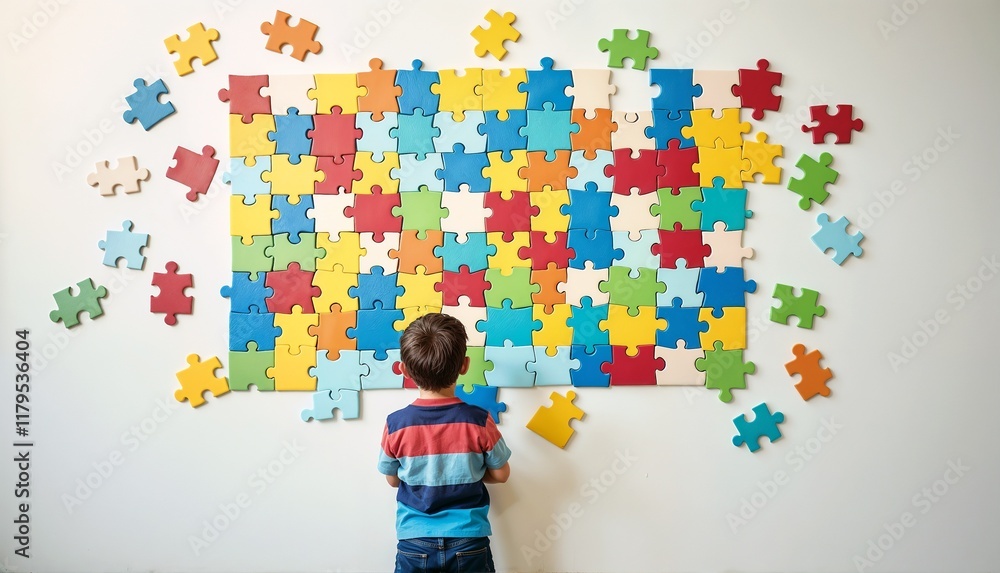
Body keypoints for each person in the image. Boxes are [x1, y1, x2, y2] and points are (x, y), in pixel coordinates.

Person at [378, 313, 512, 573]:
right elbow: (502, 474)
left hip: (414, 541)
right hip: (469, 539)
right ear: (464, 366)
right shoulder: (480, 421)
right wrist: (468, 472)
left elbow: (393, 479)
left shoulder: (396, 424)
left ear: (404, 370)